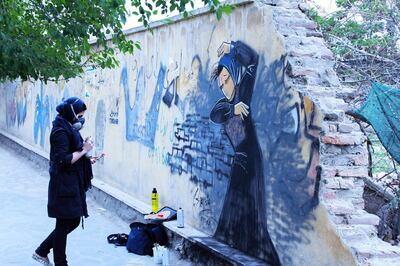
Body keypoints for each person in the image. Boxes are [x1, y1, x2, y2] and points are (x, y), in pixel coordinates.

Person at [210, 41, 281, 265]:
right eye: (220, 79)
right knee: (233, 211)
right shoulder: (224, 104)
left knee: (251, 212)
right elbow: (216, 114)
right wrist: (234, 108)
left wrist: (232, 47)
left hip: (250, 161)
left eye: (226, 76)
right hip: (239, 160)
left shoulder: (244, 91)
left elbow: (253, 60)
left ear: (233, 74)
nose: (222, 82)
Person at [32, 97, 96, 266]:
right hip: (63, 184)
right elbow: (63, 160)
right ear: (71, 113)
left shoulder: (68, 127)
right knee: (64, 222)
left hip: (71, 182)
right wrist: (84, 150)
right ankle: (59, 262)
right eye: (79, 115)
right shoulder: (60, 131)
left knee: (72, 220)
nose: (81, 119)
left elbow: (73, 153)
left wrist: (88, 157)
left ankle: (42, 251)